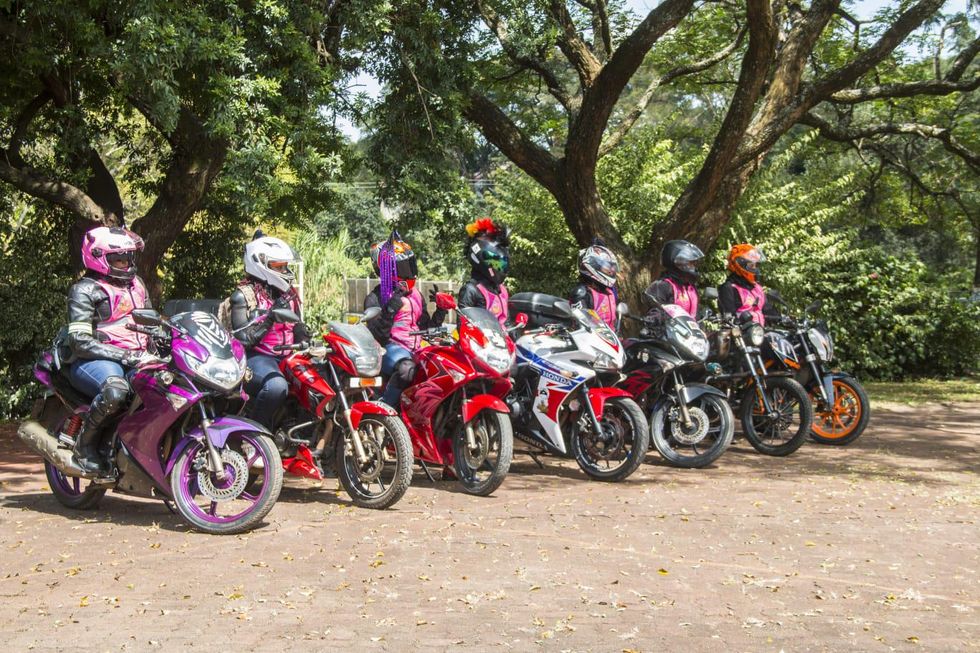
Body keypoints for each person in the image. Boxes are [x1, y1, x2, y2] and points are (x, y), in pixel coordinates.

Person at [66, 226, 156, 474]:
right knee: (117, 392)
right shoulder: (84, 290)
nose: (126, 264)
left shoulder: (136, 284)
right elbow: (79, 341)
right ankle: (84, 449)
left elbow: (153, 322)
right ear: (97, 257)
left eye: (128, 258)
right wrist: (127, 356)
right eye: (118, 258)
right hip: (95, 359)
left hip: (137, 357)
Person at [364, 233, 454, 408]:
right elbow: (376, 336)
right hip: (389, 349)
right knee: (407, 369)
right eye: (402, 267)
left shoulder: (417, 296)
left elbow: (426, 328)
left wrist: (440, 311)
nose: (409, 271)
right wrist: (390, 308)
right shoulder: (375, 297)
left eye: (409, 265)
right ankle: (385, 412)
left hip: (417, 348)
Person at [229, 233, 306, 429]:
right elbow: (244, 339)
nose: (285, 271)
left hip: (288, 356)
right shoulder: (243, 296)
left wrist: (306, 337)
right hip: (257, 358)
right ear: (260, 264)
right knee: (276, 386)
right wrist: (271, 317)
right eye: (278, 267)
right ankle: (253, 436)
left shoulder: (288, 295)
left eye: (284, 266)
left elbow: (296, 327)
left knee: (323, 379)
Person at [457, 218, 510, 326]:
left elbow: (507, 324)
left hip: (502, 342)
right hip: (482, 342)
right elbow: (464, 329)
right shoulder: (471, 290)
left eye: (500, 263)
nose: (498, 266)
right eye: (494, 261)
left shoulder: (501, 290)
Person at [643, 240, 705, 319]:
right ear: (678, 262)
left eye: (693, 264)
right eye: (690, 263)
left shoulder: (690, 287)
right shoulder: (662, 286)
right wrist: (656, 317)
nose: (693, 267)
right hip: (669, 330)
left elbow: (695, 314)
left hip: (691, 330)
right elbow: (655, 310)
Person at [568, 241, 620, 329]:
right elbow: (581, 325)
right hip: (591, 341)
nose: (610, 271)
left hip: (611, 339)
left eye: (612, 268)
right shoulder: (581, 293)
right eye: (607, 267)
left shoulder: (609, 291)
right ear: (593, 266)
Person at [718, 243, 767, 325]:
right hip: (739, 334)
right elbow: (728, 316)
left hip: (758, 334)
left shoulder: (757, 288)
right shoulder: (729, 288)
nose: (755, 269)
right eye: (752, 265)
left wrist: (782, 319)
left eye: (756, 265)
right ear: (740, 264)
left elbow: (767, 310)